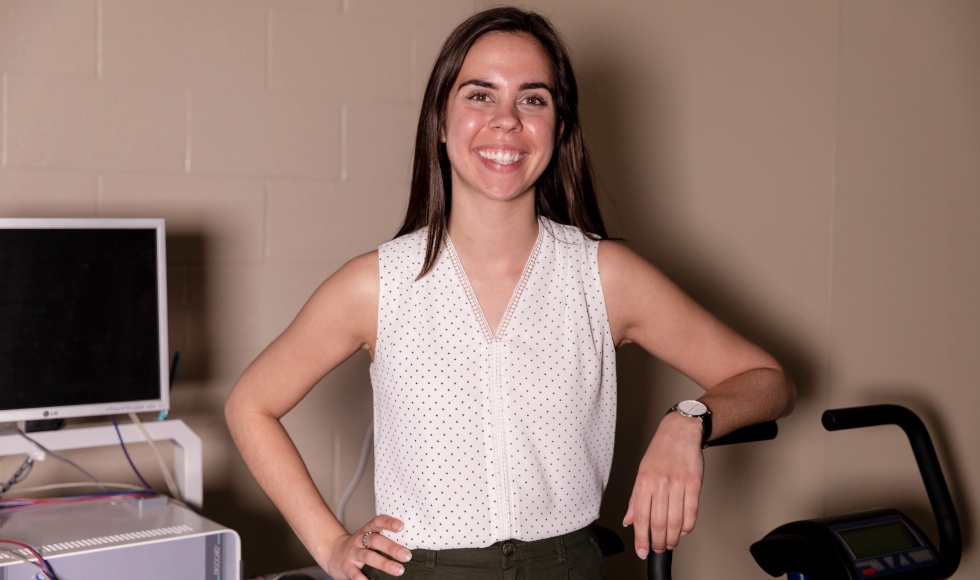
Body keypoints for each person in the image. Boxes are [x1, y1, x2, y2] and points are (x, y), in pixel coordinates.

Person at [225, 6, 795, 580]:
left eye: (533, 98)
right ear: (440, 123)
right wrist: (328, 544)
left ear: (559, 127)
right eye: (479, 95)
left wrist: (687, 419)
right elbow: (250, 405)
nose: (506, 120)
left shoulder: (604, 275)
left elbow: (767, 380)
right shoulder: (376, 284)